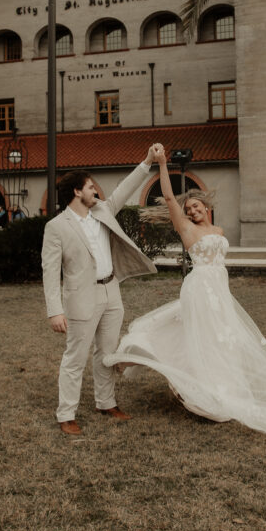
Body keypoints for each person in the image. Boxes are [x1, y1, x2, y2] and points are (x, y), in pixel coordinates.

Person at [104, 144, 266, 436]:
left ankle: (224, 386)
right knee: (203, 337)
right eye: (188, 208)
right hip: (200, 287)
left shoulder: (219, 232)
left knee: (223, 338)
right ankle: (199, 389)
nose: (192, 210)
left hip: (219, 289)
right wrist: (162, 163)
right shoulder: (187, 230)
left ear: (206, 207)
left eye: (195, 206)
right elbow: (167, 196)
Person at [41, 147, 159, 436]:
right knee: (75, 358)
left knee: (106, 353)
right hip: (81, 299)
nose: (96, 191)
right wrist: (54, 310)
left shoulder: (103, 210)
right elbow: (49, 270)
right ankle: (66, 413)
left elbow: (126, 188)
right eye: (91, 187)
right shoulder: (56, 227)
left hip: (111, 292)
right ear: (76, 192)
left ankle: (106, 403)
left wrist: (146, 161)